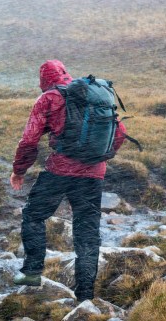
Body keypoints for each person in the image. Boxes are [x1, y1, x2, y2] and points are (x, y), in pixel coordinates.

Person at [10, 59, 127, 302]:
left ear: (44, 78)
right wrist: (100, 156)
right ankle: (85, 295)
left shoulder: (49, 98)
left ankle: (32, 271)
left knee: (34, 215)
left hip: (59, 172)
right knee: (87, 232)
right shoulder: (93, 94)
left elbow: (29, 140)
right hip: (93, 174)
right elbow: (121, 131)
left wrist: (19, 170)